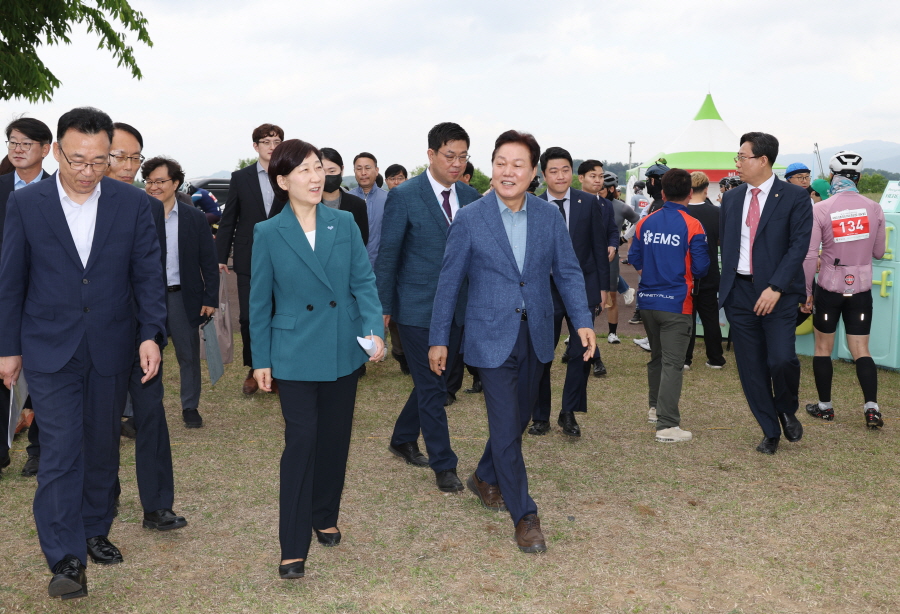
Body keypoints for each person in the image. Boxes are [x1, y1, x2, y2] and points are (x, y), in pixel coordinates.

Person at [0, 107, 166, 599]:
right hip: (49, 348)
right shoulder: (27, 206)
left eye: (99, 161)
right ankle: (65, 557)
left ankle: (95, 527)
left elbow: (147, 275)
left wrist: (150, 333)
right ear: (56, 152)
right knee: (60, 450)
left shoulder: (131, 204)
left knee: (101, 445)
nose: (88, 171)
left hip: (113, 344)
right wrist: (8, 348)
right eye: (77, 160)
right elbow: (11, 281)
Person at [428, 129, 596, 553]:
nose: (508, 171)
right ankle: (525, 515)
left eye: (518, 164)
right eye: (501, 162)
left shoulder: (547, 217)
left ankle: (484, 476)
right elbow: (449, 283)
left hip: (537, 332)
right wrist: (438, 339)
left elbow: (569, 272)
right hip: (488, 336)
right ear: (490, 166)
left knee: (518, 419)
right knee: (505, 424)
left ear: (533, 171)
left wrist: (582, 321)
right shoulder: (470, 217)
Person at [248, 139, 384, 579]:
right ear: (282, 180)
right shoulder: (268, 232)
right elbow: (259, 303)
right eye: (303, 170)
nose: (314, 177)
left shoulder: (343, 223)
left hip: (343, 348)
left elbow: (363, 283)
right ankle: (292, 545)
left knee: (335, 438)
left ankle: (325, 512)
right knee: (302, 441)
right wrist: (261, 359)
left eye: (318, 168)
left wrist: (374, 332)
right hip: (293, 353)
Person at [375, 122, 481, 493]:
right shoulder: (404, 196)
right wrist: (382, 309)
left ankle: (402, 437)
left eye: (463, 156)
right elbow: (388, 256)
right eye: (449, 156)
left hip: (458, 309)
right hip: (417, 308)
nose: (456, 163)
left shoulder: (471, 196)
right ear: (431, 155)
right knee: (435, 386)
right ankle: (444, 465)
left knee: (429, 381)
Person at [106, 122, 188, 531]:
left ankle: (157, 505)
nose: (128, 165)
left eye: (134, 158)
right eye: (120, 155)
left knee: (151, 416)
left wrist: (153, 331)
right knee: (99, 422)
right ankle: (104, 499)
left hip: (140, 334)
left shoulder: (147, 207)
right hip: (93, 335)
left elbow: (151, 276)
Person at [719, 132, 812, 455]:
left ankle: (786, 407)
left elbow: (798, 246)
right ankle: (770, 429)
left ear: (763, 160)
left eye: (742, 157)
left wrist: (776, 286)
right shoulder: (731, 199)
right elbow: (728, 246)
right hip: (739, 294)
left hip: (779, 294)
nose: (738, 163)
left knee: (781, 358)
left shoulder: (795, 197)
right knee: (751, 367)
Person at [528, 148, 612, 438]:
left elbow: (599, 247)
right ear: (542, 174)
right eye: (553, 171)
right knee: (541, 353)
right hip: (544, 290)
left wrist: (603, 288)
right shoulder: (532, 205)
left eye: (565, 169)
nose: (560, 176)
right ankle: (540, 415)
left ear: (571, 172)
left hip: (582, 288)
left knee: (581, 353)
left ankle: (569, 412)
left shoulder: (589, 202)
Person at [801, 151, 886, 428]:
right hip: (860, 289)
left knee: (823, 348)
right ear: (859, 178)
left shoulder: (821, 208)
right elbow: (879, 252)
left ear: (831, 177)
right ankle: (872, 408)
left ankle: (825, 407)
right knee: (861, 348)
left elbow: (809, 255)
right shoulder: (874, 208)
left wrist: (806, 291)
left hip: (829, 287)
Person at [628, 168, 709, 441]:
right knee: (672, 363)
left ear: (662, 192)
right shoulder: (693, 225)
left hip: (648, 301)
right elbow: (701, 267)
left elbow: (635, 258)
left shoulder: (645, 222)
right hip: (676, 304)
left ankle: (655, 409)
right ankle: (666, 425)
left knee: (658, 358)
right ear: (689, 193)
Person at [141, 156, 219, 428]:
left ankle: (190, 407)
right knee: (148, 355)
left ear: (176, 183)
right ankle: (147, 408)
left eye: (160, 181)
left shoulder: (194, 218)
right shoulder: (139, 214)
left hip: (182, 297)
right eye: (149, 181)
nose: (153, 187)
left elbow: (208, 261)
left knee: (188, 356)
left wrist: (210, 298)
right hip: (148, 299)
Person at [215, 124, 287, 396]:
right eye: (266, 141)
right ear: (255, 146)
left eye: (277, 140)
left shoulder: (289, 174)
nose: (272, 146)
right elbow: (229, 218)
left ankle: (277, 369)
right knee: (248, 318)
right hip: (249, 257)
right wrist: (220, 256)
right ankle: (254, 367)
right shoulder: (241, 177)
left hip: (284, 256)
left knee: (280, 315)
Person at [0, 117, 53, 479]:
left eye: (26, 144)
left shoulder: (61, 190)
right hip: (3, 296)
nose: (18, 150)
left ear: (46, 149)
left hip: (44, 299)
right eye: (12, 143)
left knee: (44, 374)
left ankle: (38, 448)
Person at [684, 171, 726, 369]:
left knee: (686, 318)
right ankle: (716, 358)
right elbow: (721, 242)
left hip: (685, 274)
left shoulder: (681, 212)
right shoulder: (716, 212)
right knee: (710, 318)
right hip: (709, 272)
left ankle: (685, 358)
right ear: (707, 188)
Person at [596, 168, 639, 344]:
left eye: (602, 188)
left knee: (612, 297)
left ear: (611, 188)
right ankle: (575, 332)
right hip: (590, 256)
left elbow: (639, 221)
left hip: (610, 257)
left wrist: (624, 238)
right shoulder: (588, 203)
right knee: (582, 297)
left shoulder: (621, 207)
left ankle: (612, 333)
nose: (598, 191)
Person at [320, 147, 369, 243]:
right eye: (322, 171)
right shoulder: (308, 204)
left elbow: (362, 240)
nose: (327, 176)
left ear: (341, 170)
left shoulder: (357, 205)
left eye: (332, 171)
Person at [349, 152, 388, 269]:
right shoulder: (347, 199)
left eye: (367, 168)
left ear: (376, 171)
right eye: (359, 168)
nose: (363, 173)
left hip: (381, 266)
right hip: (352, 266)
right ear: (354, 171)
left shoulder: (389, 199)